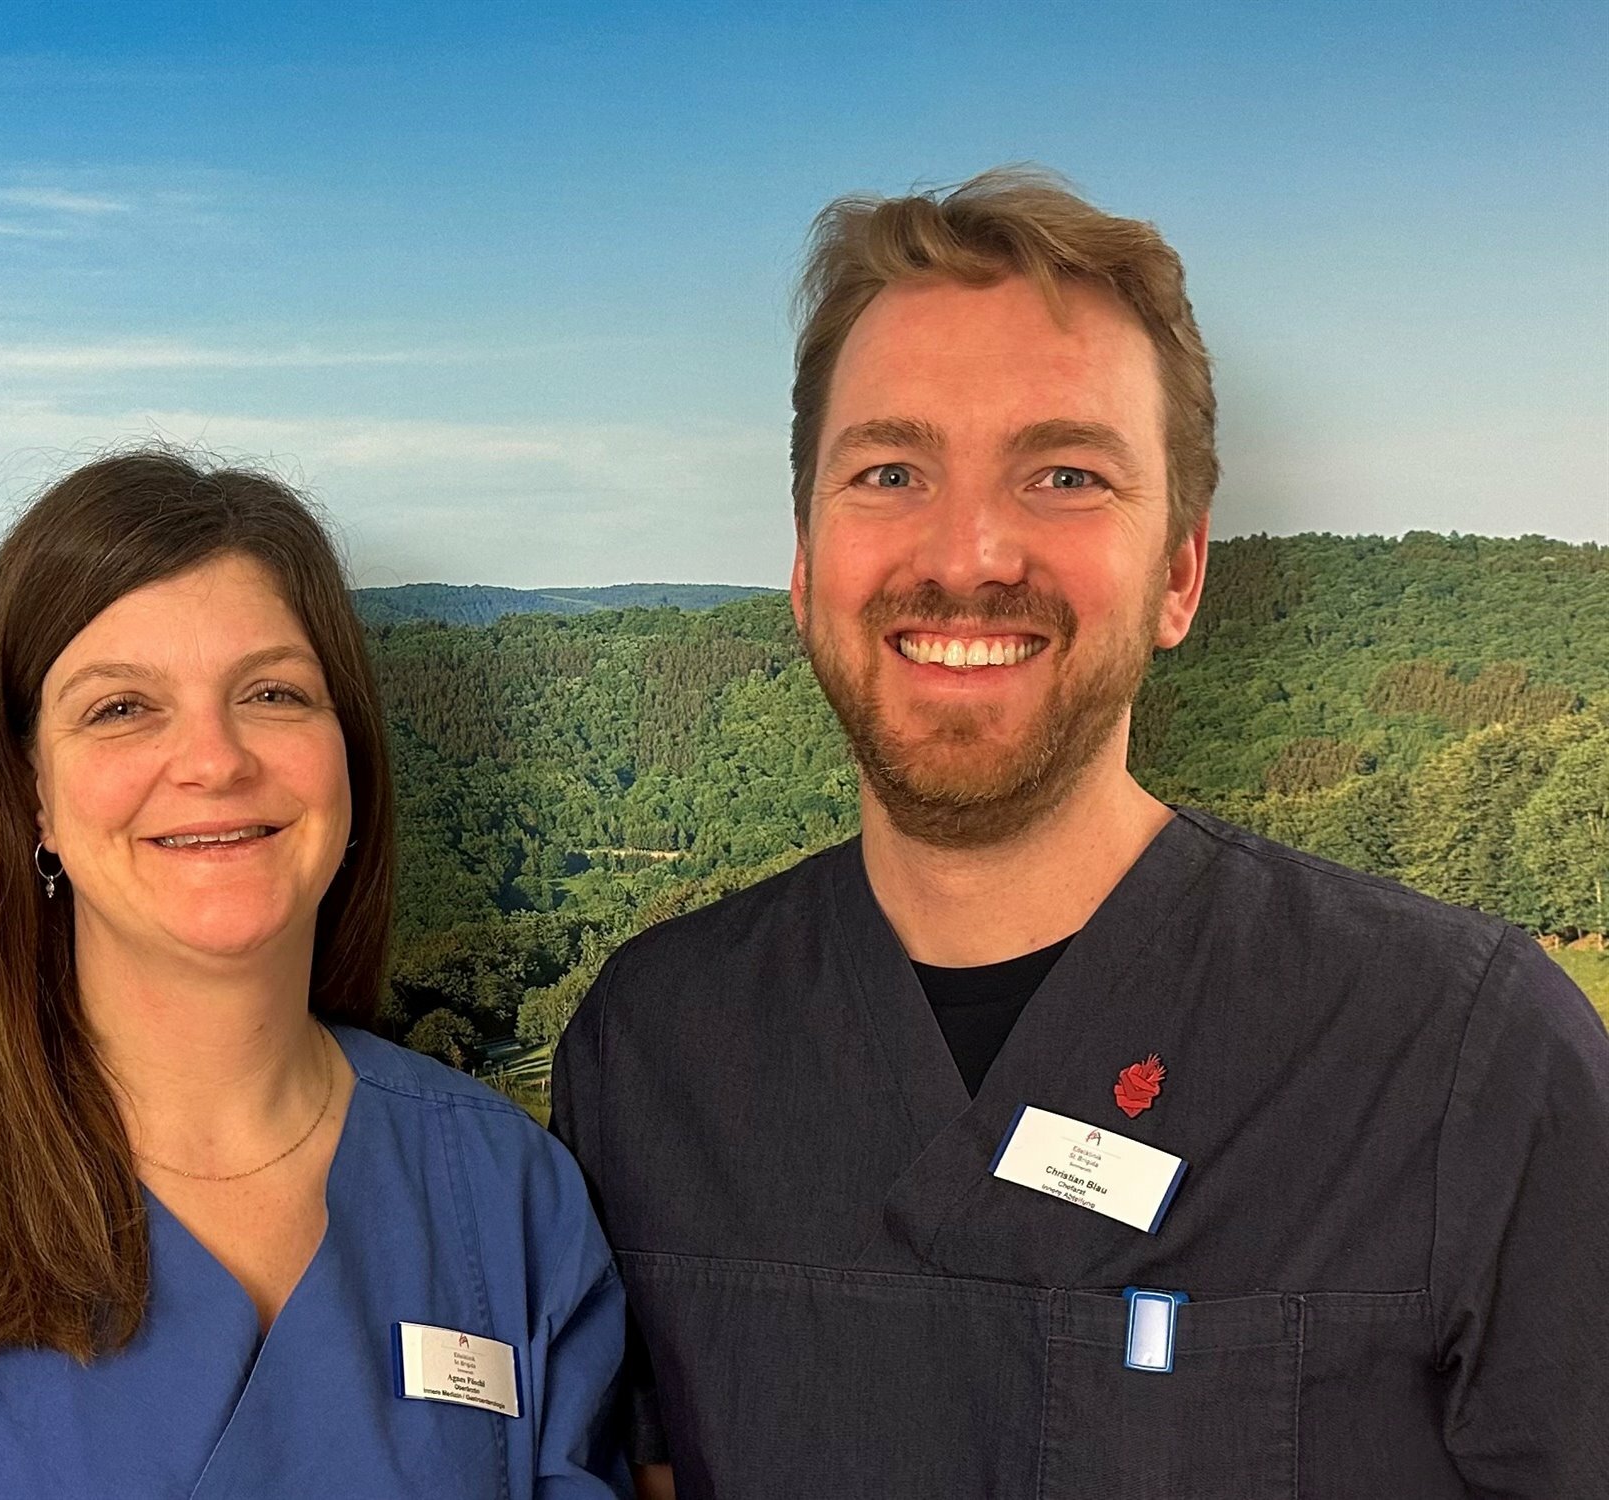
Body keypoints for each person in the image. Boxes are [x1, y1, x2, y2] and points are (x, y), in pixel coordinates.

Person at [552, 168, 1609, 1499]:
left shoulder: (1466, 1062)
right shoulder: (653, 1054)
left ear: (1180, 572)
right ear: (806, 562)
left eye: (1064, 474)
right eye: (889, 471)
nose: (969, 554)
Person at [0, 450, 629, 1497]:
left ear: (349, 754)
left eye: (273, 692)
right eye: (121, 708)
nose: (215, 760)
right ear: (33, 795)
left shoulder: (511, 1199)